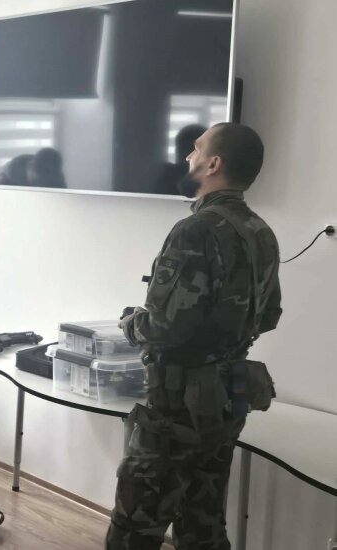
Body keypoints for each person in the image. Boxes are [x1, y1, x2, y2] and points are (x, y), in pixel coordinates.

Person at [106, 123, 282, 549]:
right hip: (227, 401)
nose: (188, 155)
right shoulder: (260, 231)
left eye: (196, 148)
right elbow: (268, 315)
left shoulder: (195, 230)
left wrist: (130, 322)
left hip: (176, 410)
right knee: (203, 526)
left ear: (213, 164)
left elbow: (165, 327)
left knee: (134, 529)